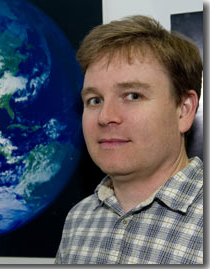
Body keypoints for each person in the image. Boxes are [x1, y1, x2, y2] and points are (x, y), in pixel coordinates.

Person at [55, 15, 203, 264]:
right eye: (95, 100)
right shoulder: (78, 221)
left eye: (132, 95)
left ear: (184, 110)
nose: (105, 116)